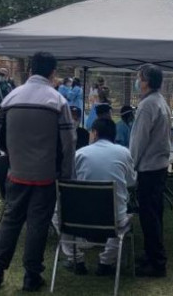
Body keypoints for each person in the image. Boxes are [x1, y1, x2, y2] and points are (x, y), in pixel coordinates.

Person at [0, 52, 75, 292]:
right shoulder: (58, 101)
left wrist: (13, 155)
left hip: (16, 171)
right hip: (45, 175)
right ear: (52, 72)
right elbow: (68, 143)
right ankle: (31, 276)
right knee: (38, 224)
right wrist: (66, 174)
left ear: (30, 70)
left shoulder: (10, 98)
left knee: (11, 220)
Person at [55, 117, 136, 276]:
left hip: (79, 218)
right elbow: (131, 182)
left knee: (57, 214)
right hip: (112, 219)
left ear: (95, 133)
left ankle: (75, 258)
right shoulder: (124, 153)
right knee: (121, 218)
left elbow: (70, 180)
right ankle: (106, 262)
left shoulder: (79, 154)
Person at [130, 64, 171, 278]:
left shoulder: (147, 105)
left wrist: (131, 165)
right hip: (159, 166)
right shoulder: (160, 101)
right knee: (155, 214)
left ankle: (156, 262)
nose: (137, 82)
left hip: (148, 167)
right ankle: (151, 254)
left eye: (139, 78)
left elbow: (139, 140)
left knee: (149, 216)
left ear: (146, 82)